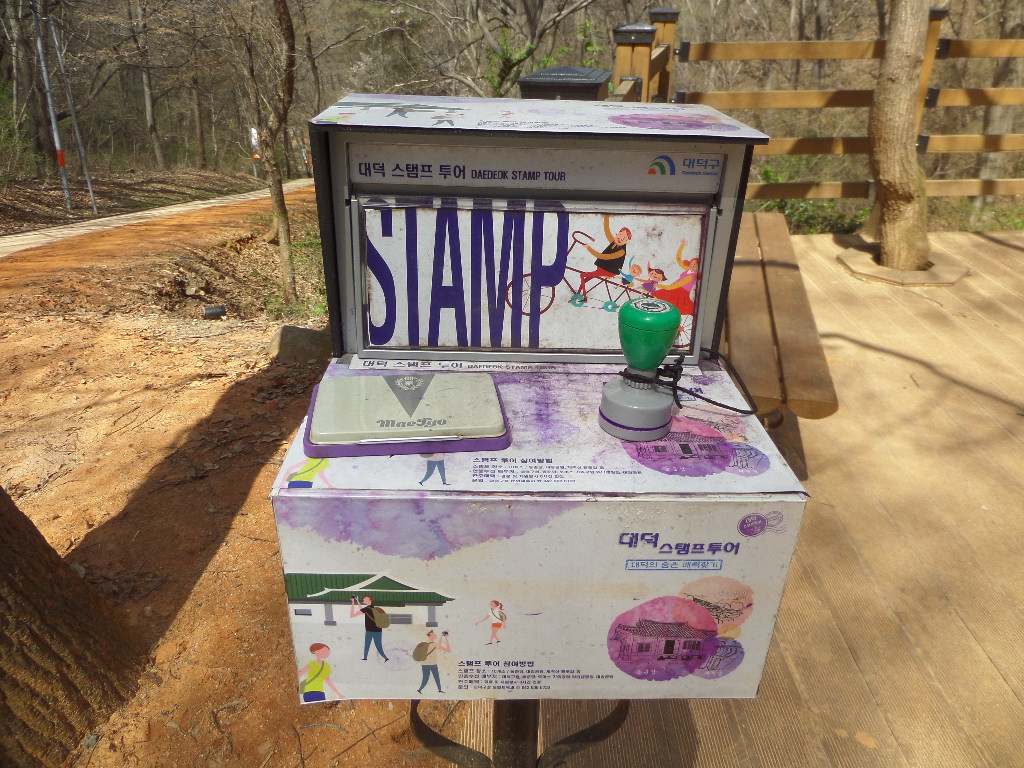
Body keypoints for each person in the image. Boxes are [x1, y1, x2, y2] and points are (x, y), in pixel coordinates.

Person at [574, 215, 632, 298]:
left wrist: (589, 248)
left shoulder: (621, 251)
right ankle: (578, 294)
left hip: (608, 271)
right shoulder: (614, 242)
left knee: (582, 275)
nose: (620, 239)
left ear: (626, 241)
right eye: (620, 235)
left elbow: (603, 256)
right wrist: (606, 216)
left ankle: (584, 298)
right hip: (603, 268)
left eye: (624, 239)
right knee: (585, 279)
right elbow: (607, 230)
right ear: (617, 234)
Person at [351, 595, 389, 661]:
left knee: (367, 644)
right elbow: (362, 611)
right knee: (378, 646)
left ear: (369, 600)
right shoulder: (373, 608)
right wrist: (357, 601)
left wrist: (353, 602)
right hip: (378, 630)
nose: (363, 599)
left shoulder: (367, 609)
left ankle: (366, 657)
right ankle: (384, 658)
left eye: (365, 599)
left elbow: (353, 615)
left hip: (370, 630)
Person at [416, 630, 452, 695]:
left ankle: (420, 689)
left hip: (424, 664)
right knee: (436, 677)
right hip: (432, 664)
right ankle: (439, 690)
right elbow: (447, 649)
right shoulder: (434, 644)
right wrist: (446, 638)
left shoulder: (426, 643)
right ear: (431, 635)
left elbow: (438, 645)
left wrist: (441, 637)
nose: (435, 634)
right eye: (434, 634)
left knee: (425, 678)